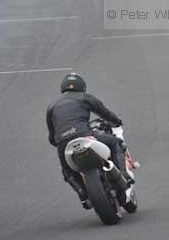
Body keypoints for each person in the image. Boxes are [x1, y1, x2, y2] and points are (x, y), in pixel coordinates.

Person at [46, 72, 134, 210]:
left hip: (64, 144)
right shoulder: (84, 98)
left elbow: (52, 137)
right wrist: (117, 121)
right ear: (82, 86)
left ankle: (83, 196)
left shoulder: (51, 106)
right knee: (115, 142)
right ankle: (124, 176)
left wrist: (62, 140)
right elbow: (104, 113)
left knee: (67, 171)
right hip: (85, 136)